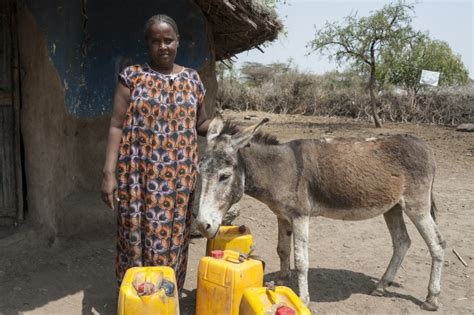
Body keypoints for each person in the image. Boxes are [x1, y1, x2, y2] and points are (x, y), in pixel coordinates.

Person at [101, 14, 210, 292]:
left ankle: (165, 295)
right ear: (147, 44)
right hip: (137, 177)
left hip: (179, 181)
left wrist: (227, 128)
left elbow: (201, 124)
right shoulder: (132, 77)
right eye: (156, 41)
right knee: (135, 234)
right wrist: (108, 173)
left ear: (178, 42)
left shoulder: (193, 80)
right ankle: (137, 297)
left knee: (173, 238)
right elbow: (115, 125)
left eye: (168, 40)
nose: (163, 46)